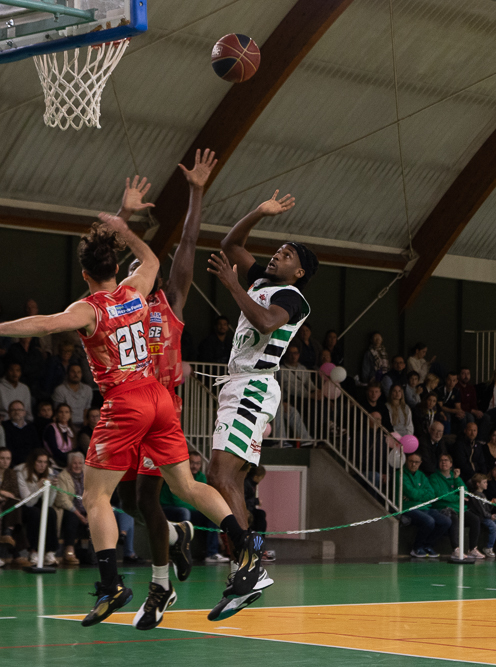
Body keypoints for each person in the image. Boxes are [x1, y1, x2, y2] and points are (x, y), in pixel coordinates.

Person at [0, 209, 257, 628]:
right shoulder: (137, 289)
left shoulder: (89, 308)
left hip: (125, 402)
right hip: (159, 397)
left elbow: (44, 325)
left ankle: (111, 584)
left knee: (96, 497)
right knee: (187, 486)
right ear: (117, 269)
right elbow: (152, 260)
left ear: (84, 274)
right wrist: (124, 228)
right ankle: (245, 546)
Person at [203, 187, 318, 618]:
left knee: (221, 475)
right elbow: (230, 244)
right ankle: (248, 567)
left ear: (300, 271)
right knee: (225, 479)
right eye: (278, 250)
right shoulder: (264, 281)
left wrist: (233, 286)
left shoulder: (293, 298)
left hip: (252, 387)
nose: (277, 256)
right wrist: (258, 211)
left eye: (287, 255)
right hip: (240, 386)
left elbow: (266, 321)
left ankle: (249, 567)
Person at [112, 154, 215, 625]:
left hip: (161, 411)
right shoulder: (119, 303)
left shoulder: (170, 300)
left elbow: (189, 241)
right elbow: (97, 254)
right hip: (126, 408)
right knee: (129, 500)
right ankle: (177, 536)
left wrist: (195, 191)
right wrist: (125, 215)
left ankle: (159, 588)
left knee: (147, 500)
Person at [160, 450, 226, 564]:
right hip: (169, 508)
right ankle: (183, 552)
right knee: (184, 512)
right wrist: (199, 506)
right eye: (192, 462)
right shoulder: (178, 475)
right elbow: (178, 501)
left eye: (197, 463)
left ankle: (212, 553)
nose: (195, 466)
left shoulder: (201, 477)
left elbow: (204, 498)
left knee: (211, 515)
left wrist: (205, 509)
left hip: (190, 509)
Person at [429, 454, 482, 559]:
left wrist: (457, 479)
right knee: (454, 518)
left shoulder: (455, 477)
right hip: (442, 508)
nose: (443, 462)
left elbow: (465, 493)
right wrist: (458, 497)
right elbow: (440, 495)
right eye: (441, 460)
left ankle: (472, 549)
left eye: (446, 460)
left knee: (475, 519)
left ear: (451, 464)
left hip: (458, 508)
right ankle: (456, 549)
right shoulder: (433, 477)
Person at [401, 452, 451, 558]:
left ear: (420, 463)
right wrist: (420, 494)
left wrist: (417, 494)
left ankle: (428, 545)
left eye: (416, 462)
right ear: (406, 461)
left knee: (446, 521)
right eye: (411, 461)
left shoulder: (421, 475)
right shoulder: (400, 474)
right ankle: (416, 548)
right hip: (408, 507)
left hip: (424, 507)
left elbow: (431, 493)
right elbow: (412, 494)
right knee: (429, 521)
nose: (414, 464)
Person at [16, 449, 60, 566]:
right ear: (33, 462)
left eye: (45, 462)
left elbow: (49, 503)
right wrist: (38, 486)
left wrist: (53, 489)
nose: (42, 465)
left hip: (42, 504)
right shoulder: (22, 473)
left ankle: (50, 552)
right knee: (34, 513)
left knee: (51, 512)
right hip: (25, 506)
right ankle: (33, 551)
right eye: (39, 462)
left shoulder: (50, 473)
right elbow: (28, 502)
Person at [0, 446, 27, 564]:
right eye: (2, 458)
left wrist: (0, 492)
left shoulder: (11, 473)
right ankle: (16, 555)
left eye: (8, 458)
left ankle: (7, 534)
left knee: (14, 506)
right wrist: (2, 495)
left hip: (7, 505)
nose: (5, 461)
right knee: (13, 514)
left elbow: (15, 494)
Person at [55, 451, 92, 566]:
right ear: (70, 464)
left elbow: (93, 495)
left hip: (87, 510)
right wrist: (80, 515)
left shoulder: (88, 476)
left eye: (80, 463)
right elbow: (63, 499)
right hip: (71, 510)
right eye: (74, 463)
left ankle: (99, 554)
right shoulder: (63, 476)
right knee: (71, 518)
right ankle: (69, 550)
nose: (77, 466)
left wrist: (89, 513)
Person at [467, 474, 496, 559]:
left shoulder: (482, 494)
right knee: (493, 526)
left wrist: (491, 504)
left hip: (485, 515)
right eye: (484, 482)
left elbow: (486, 509)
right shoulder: (476, 495)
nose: (486, 484)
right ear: (478, 484)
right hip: (480, 517)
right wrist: (490, 516)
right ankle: (489, 547)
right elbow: (481, 511)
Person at [52, 364, 93, 431]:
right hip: (67, 424)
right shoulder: (60, 389)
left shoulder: (88, 389)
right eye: (73, 372)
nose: (76, 374)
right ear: (68, 373)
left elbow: (87, 408)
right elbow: (58, 411)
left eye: (78, 372)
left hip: (83, 424)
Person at [3, 399, 42, 466]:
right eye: (13, 410)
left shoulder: (31, 428)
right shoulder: (4, 427)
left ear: (24, 412)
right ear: (8, 413)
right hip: (13, 464)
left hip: (31, 464)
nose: (16, 412)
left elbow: (36, 447)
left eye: (19, 410)